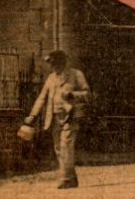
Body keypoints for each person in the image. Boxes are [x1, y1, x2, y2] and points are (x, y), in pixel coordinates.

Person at [25, 49, 90, 189]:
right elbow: (42, 97)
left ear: (64, 62)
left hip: (70, 116)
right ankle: (71, 178)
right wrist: (33, 115)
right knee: (59, 149)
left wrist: (72, 94)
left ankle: (66, 179)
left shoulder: (76, 74)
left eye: (56, 63)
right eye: (52, 64)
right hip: (53, 117)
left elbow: (87, 93)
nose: (54, 67)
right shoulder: (51, 78)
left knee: (66, 146)